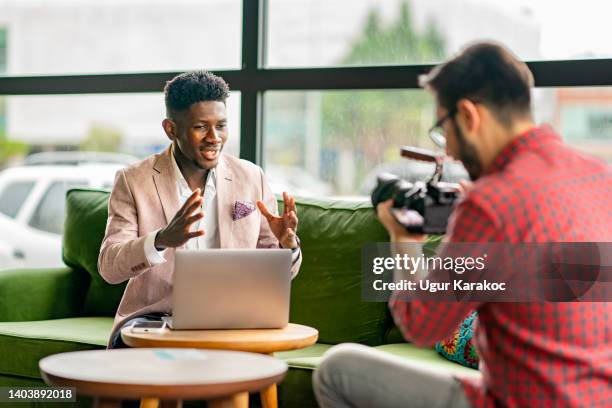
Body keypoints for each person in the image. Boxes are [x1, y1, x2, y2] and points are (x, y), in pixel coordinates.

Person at [313, 42, 612, 407]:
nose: (449, 150)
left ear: (469, 116)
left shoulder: (491, 201)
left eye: (443, 128)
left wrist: (403, 239)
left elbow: (424, 327)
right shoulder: (601, 178)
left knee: (336, 369)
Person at [98, 71, 302, 349]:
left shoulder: (251, 177)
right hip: (156, 318)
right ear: (171, 129)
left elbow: (277, 271)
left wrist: (287, 246)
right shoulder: (134, 180)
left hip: (232, 319)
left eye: (221, 126)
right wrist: (160, 240)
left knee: (245, 369)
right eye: (200, 127)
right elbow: (109, 267)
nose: (214, 138)